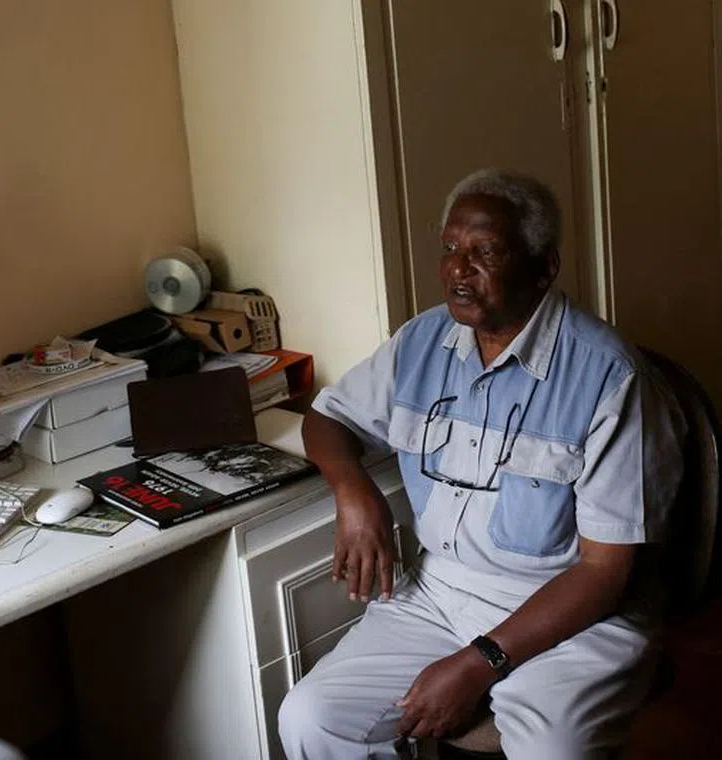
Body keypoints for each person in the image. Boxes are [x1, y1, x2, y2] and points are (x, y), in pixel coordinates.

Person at [277, 169, 685, 760]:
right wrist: (354, 493)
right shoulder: (422, 341)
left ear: (544, 267)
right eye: (450, 247)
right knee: (312, 719)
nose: (458, 269)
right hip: (441, 590)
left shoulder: (609, 377)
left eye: (485, 252)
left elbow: (604, 573)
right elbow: (326, 418)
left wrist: (478, 663)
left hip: (575, 608)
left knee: (552, 749)